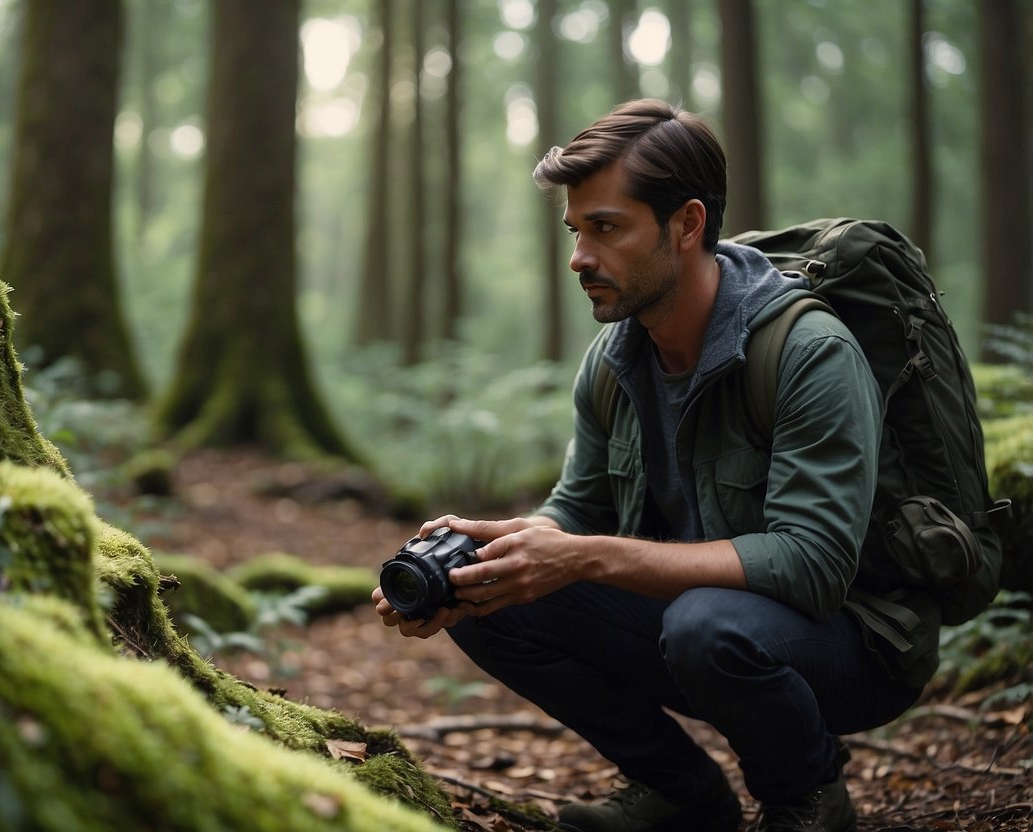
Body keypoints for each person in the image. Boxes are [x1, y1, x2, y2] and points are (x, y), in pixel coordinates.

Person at [372, 99, 928, 832]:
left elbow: (811, 565)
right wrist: (493, 554)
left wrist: (586, 558)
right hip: (697, 628)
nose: (578, 256)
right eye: (575, 230)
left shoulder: (806, 351)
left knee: (706, 625)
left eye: (605, 228)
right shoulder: (613, 358)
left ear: (686, 224)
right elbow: (577, 510)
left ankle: (807, 798)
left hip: (851, 646)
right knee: (488, 590)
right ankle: (680, 796)